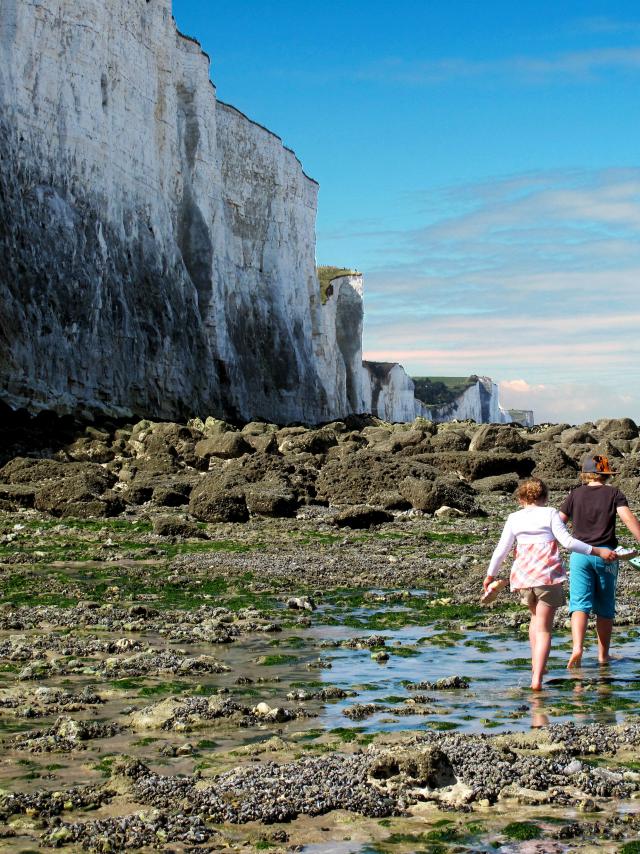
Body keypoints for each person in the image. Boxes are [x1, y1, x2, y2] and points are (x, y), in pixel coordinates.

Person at [483, 477, 616, 691]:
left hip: (523, 578)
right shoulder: (550, 513)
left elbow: (502, 550)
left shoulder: (514, 518)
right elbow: (568, 542)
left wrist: (490, 575)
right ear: (545, 497)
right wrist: (599, 551)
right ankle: (537, 679)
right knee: (544, 628)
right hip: (547, 577)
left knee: (535, 619)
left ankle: (538, 666)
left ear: (520, 499)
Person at [559, 453, 640, 669]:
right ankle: (603, 656)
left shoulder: (575, 494)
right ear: (605, 474)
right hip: (607, 555)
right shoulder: (614, 493)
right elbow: (627, 518)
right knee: (605, 608)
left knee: (579, 605)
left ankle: (577, 647)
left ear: (586, 474)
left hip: (580, 555)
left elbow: (559, 523)